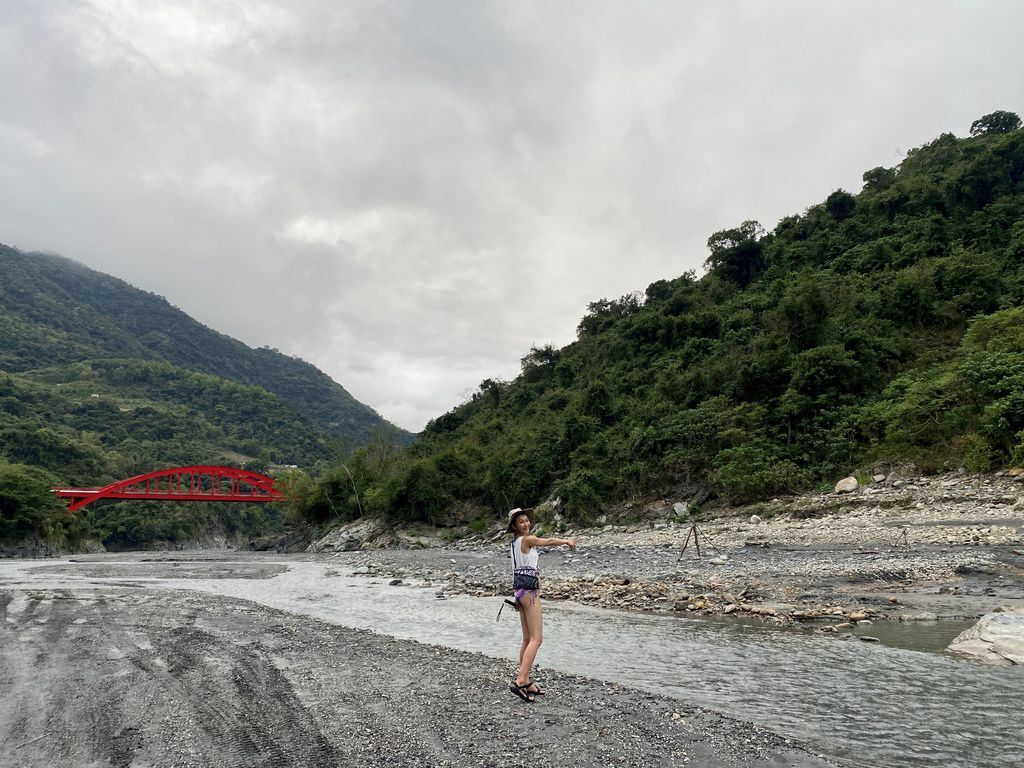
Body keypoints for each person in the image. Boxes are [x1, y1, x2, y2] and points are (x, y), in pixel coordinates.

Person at [506, 507, 576, 703]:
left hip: (519, 592)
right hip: (529, 593)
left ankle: (526, 680)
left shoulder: (513, 544)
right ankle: (520, 681)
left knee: (527, 639)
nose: (526, 524)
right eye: (521, 522)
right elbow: (548, 542)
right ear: (514, 526)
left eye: (527, 521)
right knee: (537, 639)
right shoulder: (527, 540)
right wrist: (566, 541)